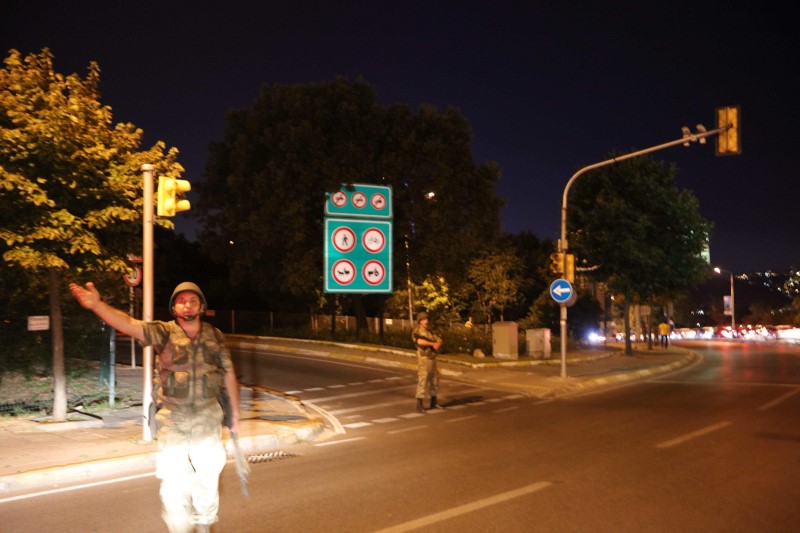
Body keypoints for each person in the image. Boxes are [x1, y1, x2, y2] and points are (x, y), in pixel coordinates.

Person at [69, 281, 240, 533]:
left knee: (208, 477)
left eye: (193, 300)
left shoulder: (215, 336)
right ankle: (179, 529)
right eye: (181, 300)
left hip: (208, 420)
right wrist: (98, 306)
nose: (187, 304)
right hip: (174, 421)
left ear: (202, 306)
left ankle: (204, 524)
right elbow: (129, 323)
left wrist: (235, 414)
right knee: (173, 482)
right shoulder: (164, 332)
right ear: (174, 307)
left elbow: (228, 374)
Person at [412, 311, 442, 412]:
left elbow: (439, 339)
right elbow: (419, 341)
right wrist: (432, 344)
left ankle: (433, 401)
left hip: (432, 358)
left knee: (434, 380)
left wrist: (437, 343)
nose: (426, 321)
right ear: (420, 321)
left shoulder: (430, 332)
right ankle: (419, 404)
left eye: (427, 319)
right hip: (423, 359)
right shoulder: (417, 331)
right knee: (422, 380)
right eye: (424, 319)